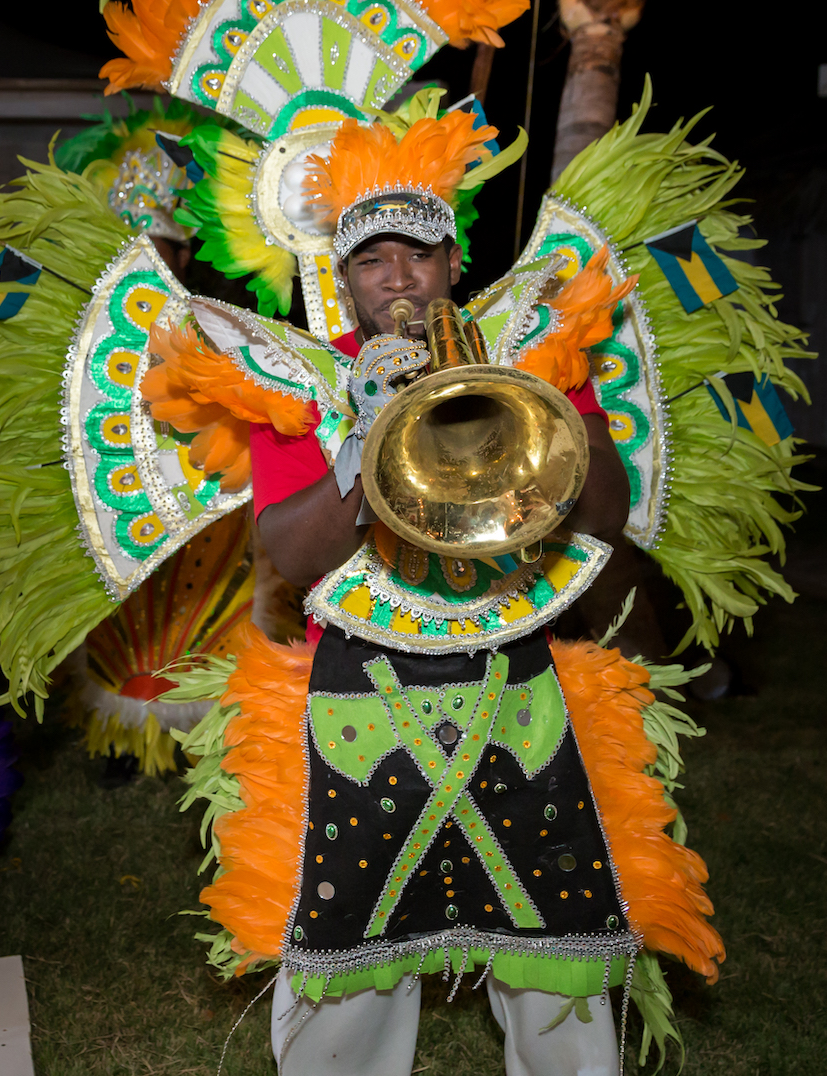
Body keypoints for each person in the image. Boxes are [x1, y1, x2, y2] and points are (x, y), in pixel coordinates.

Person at [249, 202, 635, 1076]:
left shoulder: (531, 354)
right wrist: (364, 437)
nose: (396, 277)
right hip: (360, 684)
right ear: (340, 281)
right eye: (370, 260)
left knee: (554, 917)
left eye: (417, 254)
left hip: (515, 672)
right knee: (352, 932)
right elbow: (292, 556)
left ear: (453, 262)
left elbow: (606, 518)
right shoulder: (299, 382)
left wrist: (553, 402)